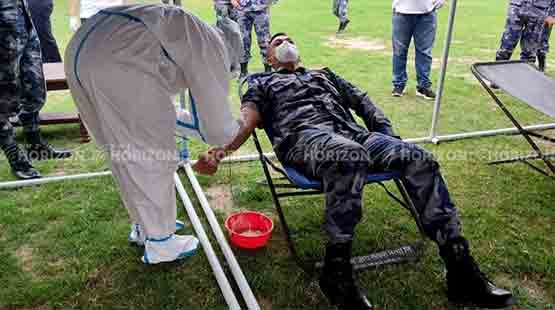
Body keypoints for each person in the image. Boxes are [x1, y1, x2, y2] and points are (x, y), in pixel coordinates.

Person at [194, 33, 516, 310]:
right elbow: (247, 121)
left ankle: (460, 268)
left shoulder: (324, 74)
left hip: (353, 136)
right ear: (268, 56)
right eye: (277, 42)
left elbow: (363, 102)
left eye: (290, 39)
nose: (285, 44)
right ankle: (336, 273)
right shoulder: (261, 82)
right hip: (305, 141)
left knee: (419, 158)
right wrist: (221, 151)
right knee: (350, 156)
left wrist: (387, 136)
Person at [65, 4, 242, 264]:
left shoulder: (189, 30)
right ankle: (162, 243)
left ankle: (144, 226)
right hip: (116, 62)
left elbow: (163, 110)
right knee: (150, 154)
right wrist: (233, 129)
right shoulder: (211, 46)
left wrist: (174, 123)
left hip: (82, 52)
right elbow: (214, 126)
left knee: (121, 150)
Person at [0, 0, 72, 180]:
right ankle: (16, 159)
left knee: (35, 87)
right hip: (3, 30)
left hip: (23, 20)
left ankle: (36, 145)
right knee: (4, 99)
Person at [391, 0, 445, 100]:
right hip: (401, 11)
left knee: (424, 53)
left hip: (427, 13)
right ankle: (398, 84)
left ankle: (423, 86)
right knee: (399, 51)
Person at [495, 0, 555, 67]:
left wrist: (552, 14)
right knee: (506, 46)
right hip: (517, 6)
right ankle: (498, 72)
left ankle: (527, 75)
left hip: (538, 10)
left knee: (529, 52)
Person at [231, 0, 278, 78]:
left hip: (261, 9)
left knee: (264, 40)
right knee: (243, 41)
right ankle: (243, 72)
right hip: (242, 9)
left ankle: (268, 71)